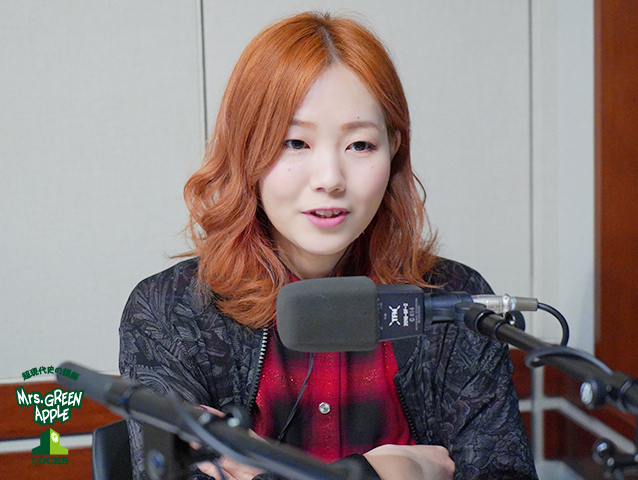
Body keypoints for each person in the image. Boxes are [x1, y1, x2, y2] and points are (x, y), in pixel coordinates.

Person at [119, 11, 538, 480]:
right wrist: (389, 470)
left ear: (394, 148)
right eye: (295, 142)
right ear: (246, 149)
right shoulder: (170, 312)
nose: (330, 179)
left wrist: (263, 470)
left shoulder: (454, 303)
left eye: (359, 145)